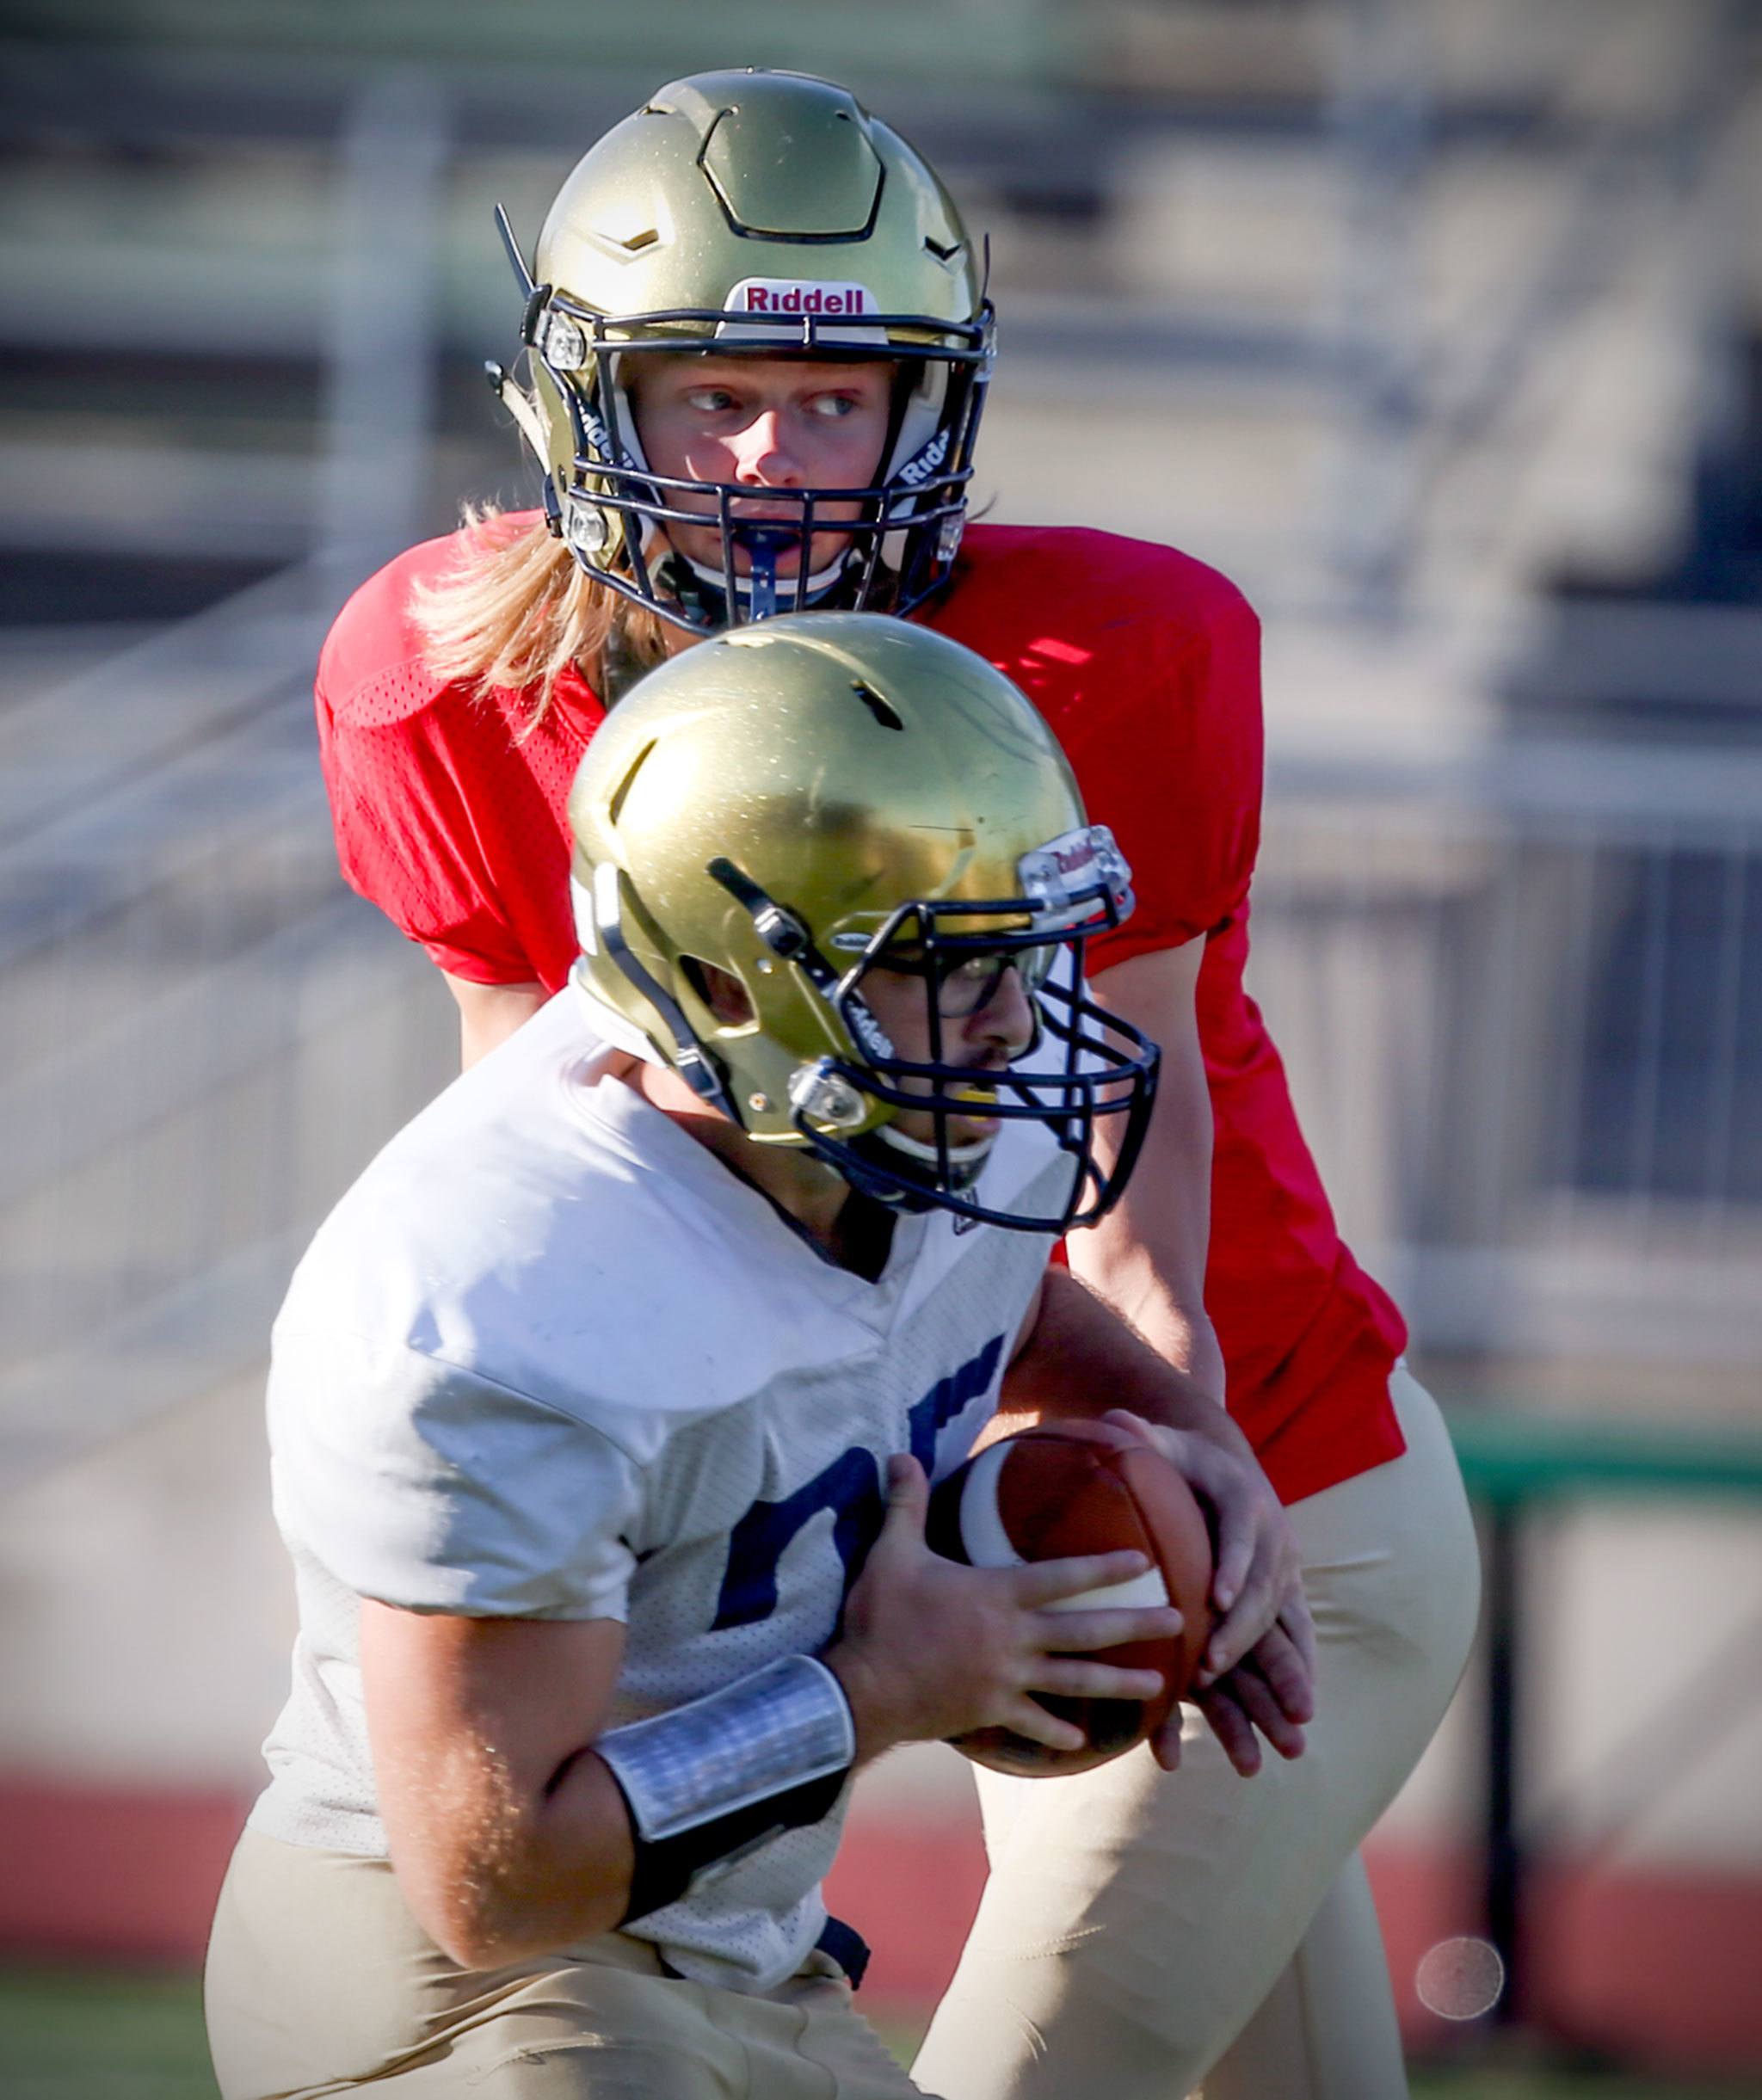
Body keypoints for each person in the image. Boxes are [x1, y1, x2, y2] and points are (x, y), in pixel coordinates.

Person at [311, 70, 1481, 2100]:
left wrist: (1194, 1464)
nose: (773, 460)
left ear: (920, 414)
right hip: (903, 1494)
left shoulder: (1113, 657)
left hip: (1222, 1479)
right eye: (712, 398)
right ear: (597, 405)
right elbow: (576, 1211)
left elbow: (1128, 1185)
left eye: (836, 401)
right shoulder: (448, 685)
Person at [211, 614, 1290, 2097]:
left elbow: (998, 1303)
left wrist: (1195, 1451)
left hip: (738, 1945)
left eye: (1023, 953)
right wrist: (877, 1691)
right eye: (947, 968)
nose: (1017, 1024)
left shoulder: (908, 1107)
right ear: (732, 989)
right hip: (464, 1988)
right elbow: (496, 1875)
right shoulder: (499, 1296)